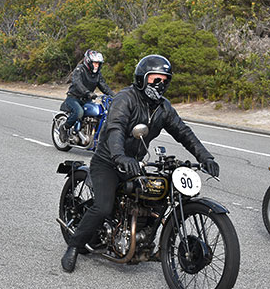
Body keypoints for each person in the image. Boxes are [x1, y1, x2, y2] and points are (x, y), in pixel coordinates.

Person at [60, 55, 221, 273]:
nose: (160, 84)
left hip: (134, 162)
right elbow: (115, 128)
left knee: (154, 195)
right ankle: (74, 246)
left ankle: (143, 239)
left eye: (165, 80)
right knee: (102, 207)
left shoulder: (163, 108)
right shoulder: (125, 99)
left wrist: (205, 157)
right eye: (156, 79)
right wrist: (119, 156)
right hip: (108, 160)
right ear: (142, 79)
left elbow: (183, 132)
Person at [58, 49, 116, 143]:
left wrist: (116, 96)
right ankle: (64, 128)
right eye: (95, 63)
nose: (97, 65)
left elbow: (104, 87)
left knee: (99, 113)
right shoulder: (79, 69)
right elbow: (77, 83)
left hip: (86, 99)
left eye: (98, 63)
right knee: (79, 112)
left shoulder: (97, 75)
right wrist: (87, 92)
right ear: (89, 62)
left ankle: (92, 135)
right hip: (73, 98)